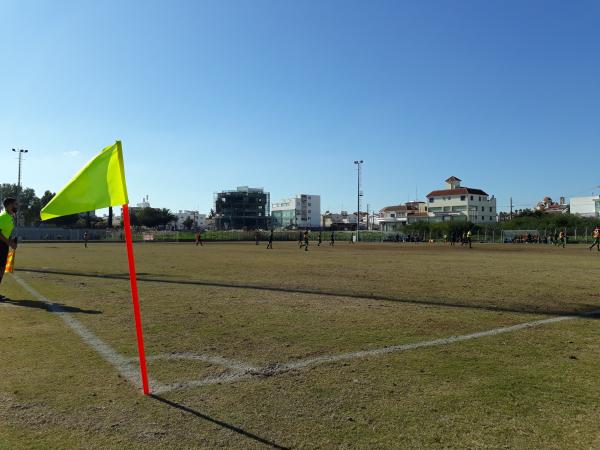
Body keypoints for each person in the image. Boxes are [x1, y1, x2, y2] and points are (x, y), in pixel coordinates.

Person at [0, 198, 18, 300]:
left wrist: (11, 241)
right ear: (9, 205)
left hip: (4, 245)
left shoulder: (10, 217)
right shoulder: (3, 216)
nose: (16, 206)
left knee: (2, 268)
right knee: (0, 268)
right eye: (15, 204)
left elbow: (5, 232)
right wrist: (10, 243)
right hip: (1, 245)